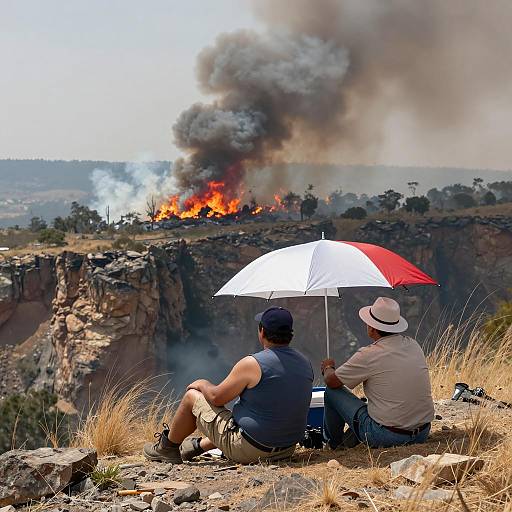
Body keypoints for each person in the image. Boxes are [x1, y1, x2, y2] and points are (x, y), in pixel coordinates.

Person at [144, 306, 314, 464]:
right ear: (290, 333)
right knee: (246, 420)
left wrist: (202, 383)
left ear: (262, 332)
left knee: (191, 398)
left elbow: (217, 398)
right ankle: (195, 447)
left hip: (253, 450)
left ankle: (166, 449)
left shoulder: (252, 363)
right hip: (286, 449)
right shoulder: (304, 362)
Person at [321, 297, 434, 449]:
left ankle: (332, 444)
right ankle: (346, 440)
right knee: (376, 405)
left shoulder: (369, 354)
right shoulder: (413, 344)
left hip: (386, 436)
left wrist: (328, 367)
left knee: (331, 393)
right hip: (421, 432)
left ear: (372, 328)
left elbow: (332, 382)